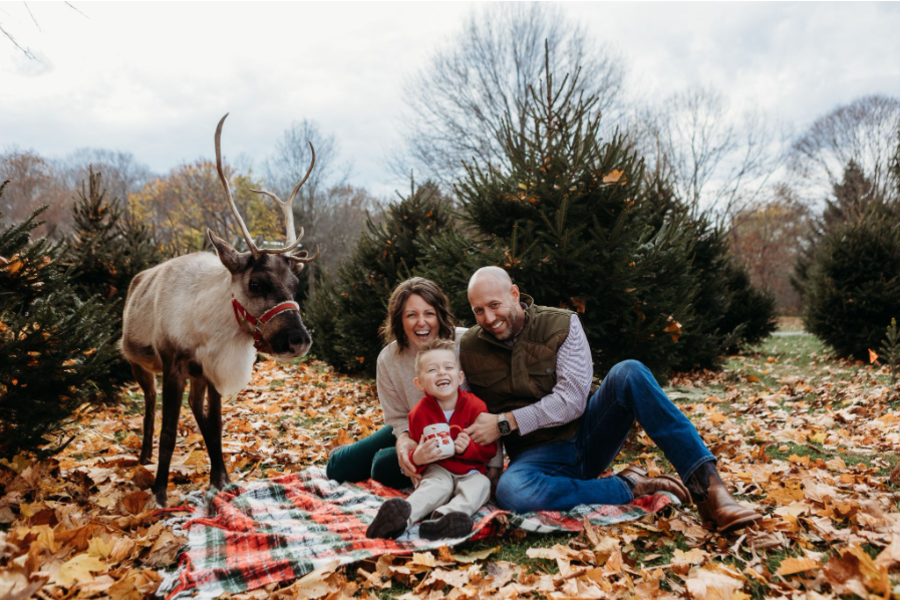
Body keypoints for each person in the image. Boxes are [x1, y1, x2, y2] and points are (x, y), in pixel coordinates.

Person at [460, 266, 762, 533]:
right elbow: (451, 389)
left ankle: (709, 488)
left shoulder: (562, 325)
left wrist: (507, 422)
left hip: (588, 436)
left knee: (629, 372)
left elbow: (572, 400)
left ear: (514, 294)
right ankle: (627, 486)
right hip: (535, 457)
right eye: (478, 310)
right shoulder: (470, 348)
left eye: (494, 305)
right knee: (513, 494)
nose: (488, 318)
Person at [326, 277, 502, 489]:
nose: (421, 322)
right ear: (399, 319)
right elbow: (397, 417)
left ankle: (374, 455)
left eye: (429, 313)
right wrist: (403, 441)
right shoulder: (389, 358)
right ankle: (352, 452)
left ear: (440, 315)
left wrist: (496, 463)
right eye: (411, 315)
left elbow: (493, 405)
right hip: (414, 425)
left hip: (461, 437)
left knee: (381, 467)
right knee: (337, 468)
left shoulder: (466, 344)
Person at [366, 339, 497, 540]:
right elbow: (415, 452)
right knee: (435, 487)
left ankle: (445, 519)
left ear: (460, 377)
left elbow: (490, 449)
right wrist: (417, 457)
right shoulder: (418, 414)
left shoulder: (476, 406)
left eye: (448, 367)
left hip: (470, 470)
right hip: (438, 468)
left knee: (481, 486)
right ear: (419, 383)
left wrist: (470, 448)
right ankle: (402, 519)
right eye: (432, 369)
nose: (442, 373)